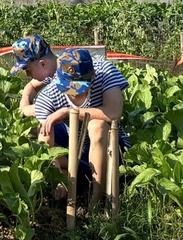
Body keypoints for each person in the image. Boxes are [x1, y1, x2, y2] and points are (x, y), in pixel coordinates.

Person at [34, 48, 128, 206]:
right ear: (58, 77)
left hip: (110, 150)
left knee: (96, 125)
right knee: (44, 130)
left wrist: (70, 112)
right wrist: (56, 176)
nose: (73, 93)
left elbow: (114, 113)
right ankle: (65, 183)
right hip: (75, 152)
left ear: (93, 76)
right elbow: (46, 143)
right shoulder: (48, 96)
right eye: (68, 86)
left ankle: (97, 197)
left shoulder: (106, 73)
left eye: (78, 87)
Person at [11, 34, 59, 118]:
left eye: (28, 70)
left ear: (43, 64)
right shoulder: (53, 68)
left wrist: (23, 111)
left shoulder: (69, 75)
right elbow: (32, 85)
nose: (28, 75)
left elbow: (46, 107)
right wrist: (25, 101)